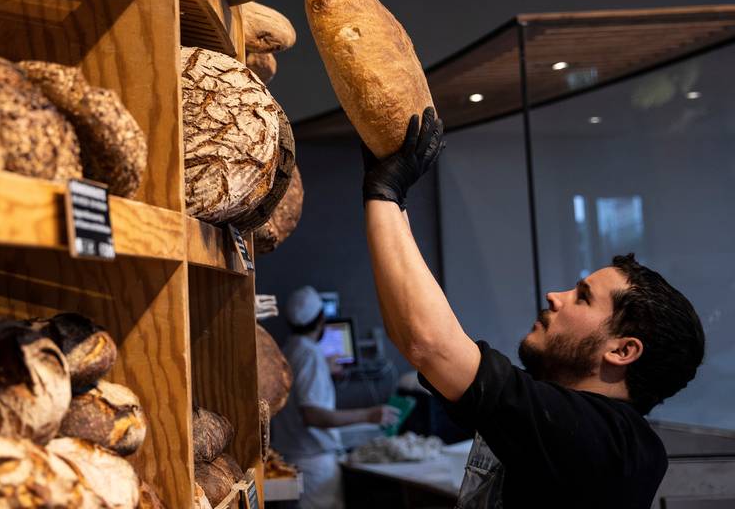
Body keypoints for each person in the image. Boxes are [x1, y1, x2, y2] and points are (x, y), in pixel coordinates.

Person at [360, 107, 705, 508]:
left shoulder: (614, 443)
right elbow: (426, 343)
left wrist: (385, 195)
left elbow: (430, 344)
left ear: (623, 350)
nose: (554, 297)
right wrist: (390, 196)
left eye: (582, 297)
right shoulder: (561, 417)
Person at [271, 285, 399, 509]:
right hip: (313, 467)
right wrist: (369, 414)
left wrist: (324, 369)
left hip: (291, 458)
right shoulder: (310, 355)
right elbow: (313, 415)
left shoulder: (289, 349)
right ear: (321, 320)